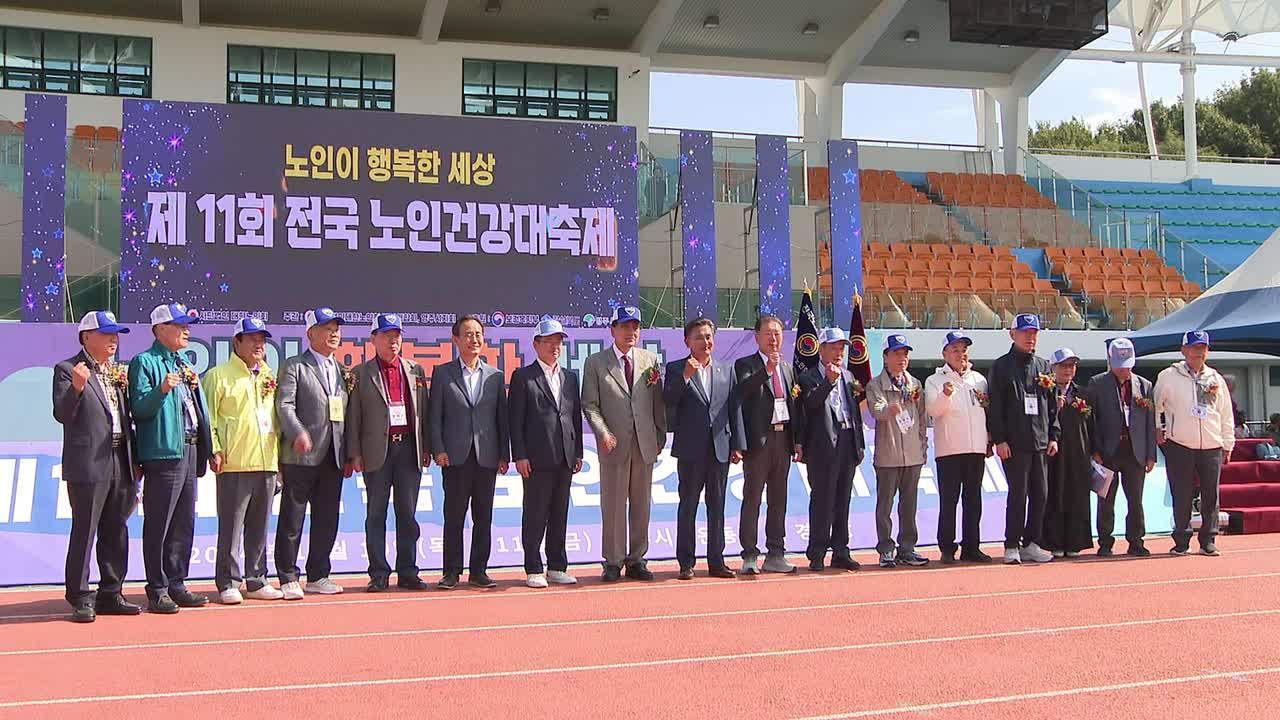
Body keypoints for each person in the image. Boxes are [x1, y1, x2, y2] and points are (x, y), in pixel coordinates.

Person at [53, 311, 141, 622]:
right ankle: (79, 595)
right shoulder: (68, 370)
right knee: (85, 529)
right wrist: (77, 387)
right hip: (89, 463)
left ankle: (111, 592)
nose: (113, 339)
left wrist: (136, 460)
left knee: (117, 528)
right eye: (106, 334)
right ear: (86, 337)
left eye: (116, 334)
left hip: (121, 458)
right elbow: (62, 414)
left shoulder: (117, 372)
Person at [129, 302, 213, 614]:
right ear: (160, 329)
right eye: (179, 325)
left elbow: (197, 411)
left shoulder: (183, 364)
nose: (186, 330)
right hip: (164, 453)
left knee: (183, 522)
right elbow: (139, 409)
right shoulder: (145, 362)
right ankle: (158, 587)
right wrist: (161, 390)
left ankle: (177, 582)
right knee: (160, 523)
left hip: (190, 449)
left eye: (187, 324)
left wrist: (210, 447)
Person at [582, 305, 667, 582]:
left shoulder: (650, 360)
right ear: (613, 330)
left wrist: (659, 436)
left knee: (642, 504)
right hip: (613, 444)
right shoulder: (596, 362)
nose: (631, 332)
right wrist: (603, 433)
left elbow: (657, 404)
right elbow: (590, 405)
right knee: (614, 504)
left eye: (635, 327)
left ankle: (637, 559)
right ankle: (613, 561)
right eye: (625, 326)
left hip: (644, 443)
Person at [347, 313, 431, 591]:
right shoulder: (361, 373)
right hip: (376, 451)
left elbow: (424, 413)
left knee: (407, 513)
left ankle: (408, 570)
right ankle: (379, 572)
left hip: (408, 448)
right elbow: (354, 417)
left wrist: (426, 448)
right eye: (386, 335)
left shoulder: (415, 370)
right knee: (376, 513)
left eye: (396, 335)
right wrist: (355, 453)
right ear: (373, 339)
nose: (392, 340)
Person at [204, 317, 285, 604]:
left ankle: (257, 578)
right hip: (234, 463)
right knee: (232, 526)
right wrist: (214, 449)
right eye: (251, 338)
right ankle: (228, 581)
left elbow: (276, 419)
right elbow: (209, 419)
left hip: (266, 461)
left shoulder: (268, 375)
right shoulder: (219, 375)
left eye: (262, 338)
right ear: (236, 341)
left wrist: (280, 462)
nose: (258, 344)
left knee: (260, 526)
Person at [275, 307, 350, 600]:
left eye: (336, 328)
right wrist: (298, 433)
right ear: (310, 334)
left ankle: (318, 574)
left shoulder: (342, 371)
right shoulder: (296, 366)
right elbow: (284, 405)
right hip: (301, 455)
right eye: (327, 328)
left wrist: (350, 451)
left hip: (333, 454)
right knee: (293, 517)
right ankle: (288, 575)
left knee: (327, 518)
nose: (334, 333)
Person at [430, 315, 509, 589]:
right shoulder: (443, 373)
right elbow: (434, 416)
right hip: (455, 456)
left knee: (483, 517)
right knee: (454, 516)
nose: (474, 339)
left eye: (478, 334)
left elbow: (502, 419)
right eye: (468, 334)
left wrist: (503, 454)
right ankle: (451, 571)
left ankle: (479, 571)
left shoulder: (495, 376)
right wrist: (438, 448)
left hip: (486, 456)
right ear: (455, 340)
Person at [663, 317, 742, 580]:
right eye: (699, 337)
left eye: (709, 336)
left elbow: (734, 409)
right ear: (687, 341)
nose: (705, 342)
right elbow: (668, 402)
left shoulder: (726, 370)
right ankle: (686, 562)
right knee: (688, 505)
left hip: (719, 448)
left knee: (717, 506)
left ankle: (717, 561)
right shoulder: (676, 369)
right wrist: (685, 376)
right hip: (690, 449)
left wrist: (738, 444)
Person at [508, 319, 584, 588]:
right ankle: (533, 567)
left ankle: (557, 566)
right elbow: (515, 420)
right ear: (536, 344)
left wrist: (577, 452)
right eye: (549, 341)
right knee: (535, 512)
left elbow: (574, 416)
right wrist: (519, 455)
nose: (555, 346)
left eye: (559, 341)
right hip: (536, 458)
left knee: (559, 512)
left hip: (565, 455)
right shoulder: (523, 377)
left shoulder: (570, 377)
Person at [987, 313, 1060, 565]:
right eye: (1025, 333)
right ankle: (1011, 544)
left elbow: (1052, 405)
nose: (1030, 337)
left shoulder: (1043, 366)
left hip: (1040, 441)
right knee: (1018, 494)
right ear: (1012, 334)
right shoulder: (1000, 366)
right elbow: (994, 407)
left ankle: (1031, 542)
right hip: (1014, 444)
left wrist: (1053, 435)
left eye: (1034, 333)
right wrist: (1000, 439)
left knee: (1041, 494)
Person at [733, 315, 803, 575]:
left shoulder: (787, 368)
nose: (774, 339)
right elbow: (742, 393)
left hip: (782, 440)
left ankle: (776, 552)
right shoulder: (746, 364)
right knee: (752, 498)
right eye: (768, 334)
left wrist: (796, 440)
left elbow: (794, 405)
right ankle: (749, 554)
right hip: (757, 442)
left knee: (779, 500)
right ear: (757, 337)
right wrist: (767, 371)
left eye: (778, 334)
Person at [1154, 330, 1234, 556]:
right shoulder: (1169, 376)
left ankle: (1208, 540)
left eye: (1203, 348)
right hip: (1180, 443)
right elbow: (1156, 406)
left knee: (1211, 495)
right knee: (1181, 493)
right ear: (1184, 350)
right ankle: (1181, 539)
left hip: (1212, 445)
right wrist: (1160, 431)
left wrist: (1228, 443)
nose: (1199, 352)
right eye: (1195, 347)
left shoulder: (1215, 378)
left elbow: (1226, 414)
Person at [796, 328, 866, 572]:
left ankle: (840, 550)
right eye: (834, 347)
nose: (839, 353)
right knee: (822, 500)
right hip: (822, 446)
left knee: (842, 500)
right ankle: (816, 552)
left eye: (842, 348)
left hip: (847, 441)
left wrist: (860, 444)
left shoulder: (848, 376)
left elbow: (854, 411)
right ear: (822, 349)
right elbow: (810, 404)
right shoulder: (809, 376)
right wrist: (828, 382)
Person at [924, 330, 992, 564]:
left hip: (976, 450)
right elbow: (933, 411)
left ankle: (972, 546)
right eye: (955, 349)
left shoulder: (979, 379)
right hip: (949, 451)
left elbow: (986, 411)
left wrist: (988, 441)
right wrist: (945, 395)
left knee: (973, 500)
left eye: (963, 349)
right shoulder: (934, 380)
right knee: (949, 501)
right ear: (945, 353)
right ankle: (947, 547)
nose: (960, 354)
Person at [1086, 337, 1155, 558]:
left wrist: (1150, 454)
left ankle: (1136, 541)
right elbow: (1092, 420)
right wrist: (1095, 450)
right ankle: (1105, 542)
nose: (1125, 370)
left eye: (1128, 365)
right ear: (1110, 361)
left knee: (1136, 500)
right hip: (1108, 451)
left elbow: (1149, 423)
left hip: (1135, 452)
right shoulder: (1097, 384)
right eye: (1120, 366)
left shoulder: (1144, 385)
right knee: (1105, 500)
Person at [866, 333, 929, 568]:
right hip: (888, 456)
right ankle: (885, 549)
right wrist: (888, 409)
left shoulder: (915, 385)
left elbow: (922, 420)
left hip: (912, 455)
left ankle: (907, 547)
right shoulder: (876, 385)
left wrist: (923, 448)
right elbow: (876, 410)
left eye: (905, 354)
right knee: (885, 505)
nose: (902, 358)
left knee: (909, 504)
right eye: (896, 353)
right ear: (885, 357)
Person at [1042, 348, 1094, 558]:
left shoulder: (1084, 393)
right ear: (1052, 368)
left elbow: (1093, 425)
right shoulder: (1044, 391)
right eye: (1063, 366)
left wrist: (1095, 452)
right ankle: (1052, 542)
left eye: (1072, 365)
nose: (1068, 370)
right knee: (1053, 495)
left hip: (1079, 453)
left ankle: (1075, 542)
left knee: (1077, 496)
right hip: (1052, 452)